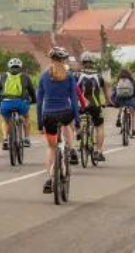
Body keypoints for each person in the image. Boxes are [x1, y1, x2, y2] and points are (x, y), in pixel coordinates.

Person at [37, 47, 80, 193]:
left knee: (51, 147)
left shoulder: (43, 76)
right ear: (64, 60)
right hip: (65, 113)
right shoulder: (69, 77)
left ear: (51, 59)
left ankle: (49, 178)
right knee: (67, 125)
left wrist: (39, 122)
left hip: (48, 115)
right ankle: (70, 148)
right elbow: (74, 100)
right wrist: (78, 119)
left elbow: (39, 101)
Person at [77, 52, 111, 162]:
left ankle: (79, 133)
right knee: (99, 126)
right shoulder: (99, 77)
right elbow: (106, 94)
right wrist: (108, 102)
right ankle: (98, 151)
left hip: (80, 104)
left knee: (74, 120)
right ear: (93, 63)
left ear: (82, 63)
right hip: (95, 105)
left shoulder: (76, 76)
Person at [0, 58, 36, 149]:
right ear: (20, 67)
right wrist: (34, 100)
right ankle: (26, 138)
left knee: (5, 120)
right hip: (20, 103)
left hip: (6, 103)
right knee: (26, 117)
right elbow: (31, 91)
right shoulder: (25, 76)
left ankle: (5, 139)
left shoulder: (3, 76)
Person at [112, 69, 135, 138]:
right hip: (130, 99)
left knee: (121, 106)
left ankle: (119, 118)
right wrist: (133, 93)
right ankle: (133, 131)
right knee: (133, 114)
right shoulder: (131, 80)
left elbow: (115, 90)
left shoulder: (119, 80)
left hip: (120, 99)